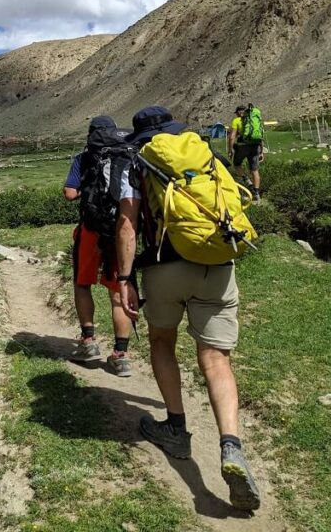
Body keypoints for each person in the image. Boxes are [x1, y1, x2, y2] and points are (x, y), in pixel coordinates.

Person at [115, 106, 260, 512]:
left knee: (162, 340)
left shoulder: (136, 163)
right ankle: (231, 444)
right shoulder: (205, 156)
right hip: (217, 264)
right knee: (216, 359)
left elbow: (127, 225)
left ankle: (176, 429)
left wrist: (124, 279)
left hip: (165, 268)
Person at [62, 116, 133, 376]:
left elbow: (70, 193)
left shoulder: (84, 158)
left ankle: (89, 341)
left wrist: (85, 191)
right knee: (118, 293)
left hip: (91, 230)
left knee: (82, 284)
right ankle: (121, 355)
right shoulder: (127, 155)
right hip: (121, 233)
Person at [228, 105, 262, 201]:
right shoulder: (254, 119)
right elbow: (260, 135)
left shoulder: (237, 121)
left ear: (238, 112)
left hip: (242, 147)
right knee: (255, 170)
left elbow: (231, 137)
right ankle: (257, 194)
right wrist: (261, 151)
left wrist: (231, 149)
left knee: (237, 164)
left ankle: (247, 180)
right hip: (255, 146)